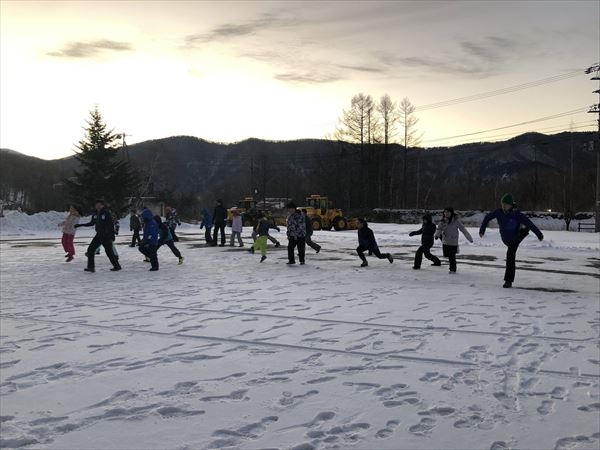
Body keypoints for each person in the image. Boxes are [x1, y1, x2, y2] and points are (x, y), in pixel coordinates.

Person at [479, 193, 544, 288]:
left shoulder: (517, 214)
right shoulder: (498, 212)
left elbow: (530, 223)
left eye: (506, 204)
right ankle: (524, 231)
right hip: (505, 239)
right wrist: (482, 230)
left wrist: (539, 234)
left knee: (510, 257)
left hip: (515, 239)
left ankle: (508, 281)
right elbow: (487, 217)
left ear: (511, 205)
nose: (503, 206)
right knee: (522, 232)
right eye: (502, 204)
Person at [76, 199, 121, 272]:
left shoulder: (106, 213)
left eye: (100, 205)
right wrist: (80, 225)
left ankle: (117, 266)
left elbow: (110, 225)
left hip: (106, 236)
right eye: (97, 205)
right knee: (90, 250)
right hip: (99, 235)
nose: (98, 206)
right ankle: (91, 267)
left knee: (109, 252)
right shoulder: (95, 214)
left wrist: (112, 236)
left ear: (103, 205)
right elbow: (91, 223)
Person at [434, 207, 473, 274]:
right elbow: (439, 229)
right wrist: (437, 235)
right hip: (445, 241)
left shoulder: (456, 221)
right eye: (445, 212)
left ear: (451, 213)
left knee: (452, 256)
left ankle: (453, 269)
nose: (446, 213)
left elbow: (463, 230)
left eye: (448, 212)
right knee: (447, 255)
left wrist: (469, 238)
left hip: (453, 241)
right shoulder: (442, 221)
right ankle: (452, 267)